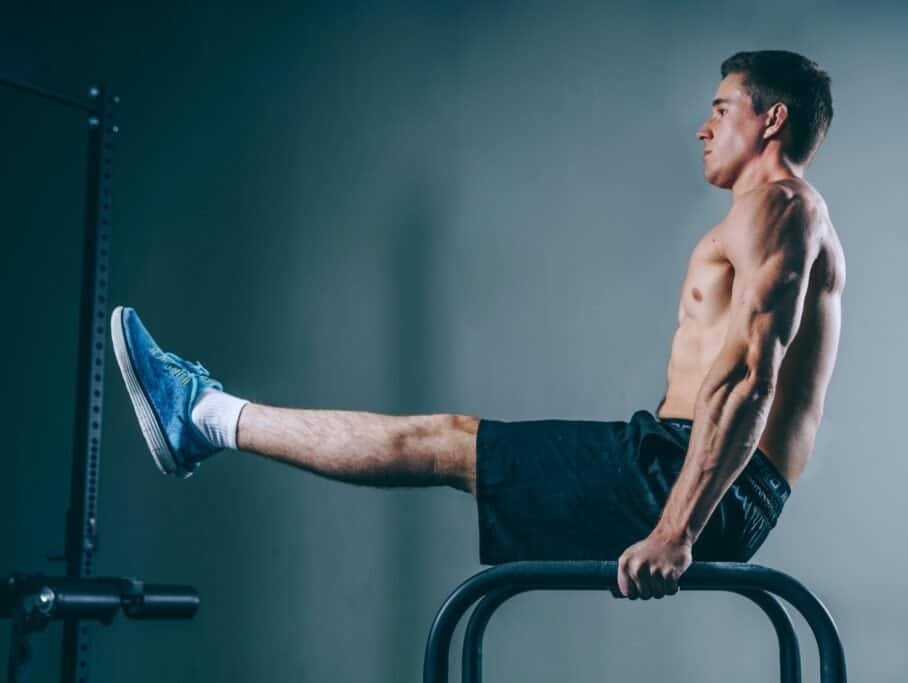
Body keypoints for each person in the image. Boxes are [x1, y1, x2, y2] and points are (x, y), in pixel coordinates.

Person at [110, 50, 844, 602]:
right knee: (441, 443)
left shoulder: (781, 205)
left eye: (721, 109)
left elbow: (750, 370)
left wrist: (676, 530)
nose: (703, 128)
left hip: (692, 478)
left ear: (770, 118)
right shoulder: (779, 214)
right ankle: (204, 416)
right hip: (700, 471)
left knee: (436, 442)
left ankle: (202, 415)